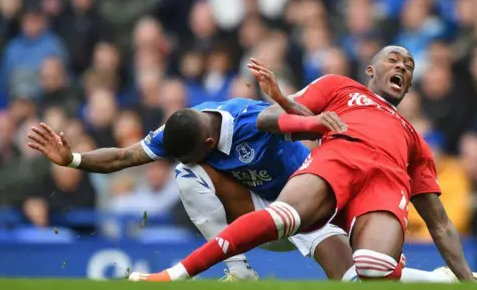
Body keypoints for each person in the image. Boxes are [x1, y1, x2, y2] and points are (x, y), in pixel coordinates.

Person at [129, 47, 477, 282]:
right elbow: (271, 119)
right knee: (281, 214)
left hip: (383, 187)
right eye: (394, 59)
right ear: (371, 69)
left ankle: (440, 280)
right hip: (334, 165)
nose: (402, 65)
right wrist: (283, 99)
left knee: (372, 269)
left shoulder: (414, 139)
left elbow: (441, 222)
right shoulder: (340, 87)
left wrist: (466, 279)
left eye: (409, 66)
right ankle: (177, 275)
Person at [26, 98, 352, 281]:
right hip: (258, 219)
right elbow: (123, 156)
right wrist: (73, 160)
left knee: (358, 279)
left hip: (310, 212)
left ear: (209, 142)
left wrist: (312, 115)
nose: (178, 159)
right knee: (186, 173)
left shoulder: (251, 120)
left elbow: (293, 118)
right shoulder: (178, 131)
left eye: (191, 152)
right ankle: (240, 273)